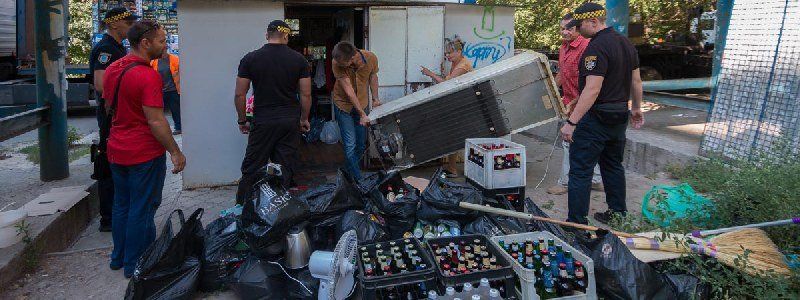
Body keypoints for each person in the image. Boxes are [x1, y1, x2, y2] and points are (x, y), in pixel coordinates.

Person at [103, 20, 186, 278]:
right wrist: (175, 151)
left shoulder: (113, 69)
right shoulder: (147, 75)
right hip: (143, 153)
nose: (165, 45)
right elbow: (156, 120)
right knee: (143, 207)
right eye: (161, 40)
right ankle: (138, 263)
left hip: (116, 148)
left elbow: (108, 107)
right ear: (145, 43)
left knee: (122, 205)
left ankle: (119, 258)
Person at [561, 2, 645, 225]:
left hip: (597, 117)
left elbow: (593, 88)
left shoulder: (596, 48)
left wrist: (571, 122)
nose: (578, 30)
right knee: (613, 166)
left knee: (580, 171)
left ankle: (576, 224)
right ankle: (618, 215)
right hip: (619, 116)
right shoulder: (626, 43)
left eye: (579, 25)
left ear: (593, 21)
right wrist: (636, 108)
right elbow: (636, 81)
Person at [234, 20, 312, 204]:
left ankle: (243, 209)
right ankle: (280, 211)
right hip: (289, 121)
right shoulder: (299, 59)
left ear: (267, 35)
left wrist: (242, 120)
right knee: (284, 167)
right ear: (286, 36)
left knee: (253, 167)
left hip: (262, 121)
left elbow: (239, 94)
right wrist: (303, 119)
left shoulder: (250, 59)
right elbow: (306, 94)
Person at [88, 7, 137, 232]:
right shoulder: (106, 49)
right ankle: (108, 218)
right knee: (108, 162)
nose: (130, 26)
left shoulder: (117, 47)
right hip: (109, 115)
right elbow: (100, 83)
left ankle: (117, 211)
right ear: (114, 24)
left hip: (116, 112)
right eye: (127, 22)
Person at [547, 13, 603, 196]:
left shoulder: (588, 47)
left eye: (569, 28)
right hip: (569, 101)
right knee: (582, 141)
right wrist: (551, 89)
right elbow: (563, 73)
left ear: (578, 28)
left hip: (584, 102)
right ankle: (595, 179)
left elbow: (591, 83)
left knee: (568, 141)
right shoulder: (563, 47)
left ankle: (565, 182)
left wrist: (575, 102)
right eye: (562, 28)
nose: (564, 32)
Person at [421, 37, 472, 177]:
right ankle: (451, 167)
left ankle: (453, 169)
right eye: (446, 53)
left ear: (459, 51)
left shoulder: (463, 65)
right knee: (452, 135)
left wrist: (430, 74)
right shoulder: (455, 63)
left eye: (450, 53)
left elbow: (446, 84)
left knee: (454, 135)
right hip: (456, 102)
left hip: (463, 104)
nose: (447, 56)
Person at [331, 41, 381, 179]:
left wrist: (375, 99)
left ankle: (348, 174)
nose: (339, 65)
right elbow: (348, 90)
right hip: (343, 105)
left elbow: (373, 76)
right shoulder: (336, 62)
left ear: (352, 58)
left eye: (343, 64)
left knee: (360, 144)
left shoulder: (371, 57)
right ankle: (358, 181)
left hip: (362, 103)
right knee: (350, 145)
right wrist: (362, 114)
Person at [151, 47, 182, 134]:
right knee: (158, 111)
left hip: (173, 90)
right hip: (160, 90)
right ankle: (160, 129)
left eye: (164, 49)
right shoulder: (154, 61)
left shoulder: (175, 59)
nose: (163, 51)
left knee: (175, 110)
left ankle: (178, 127)